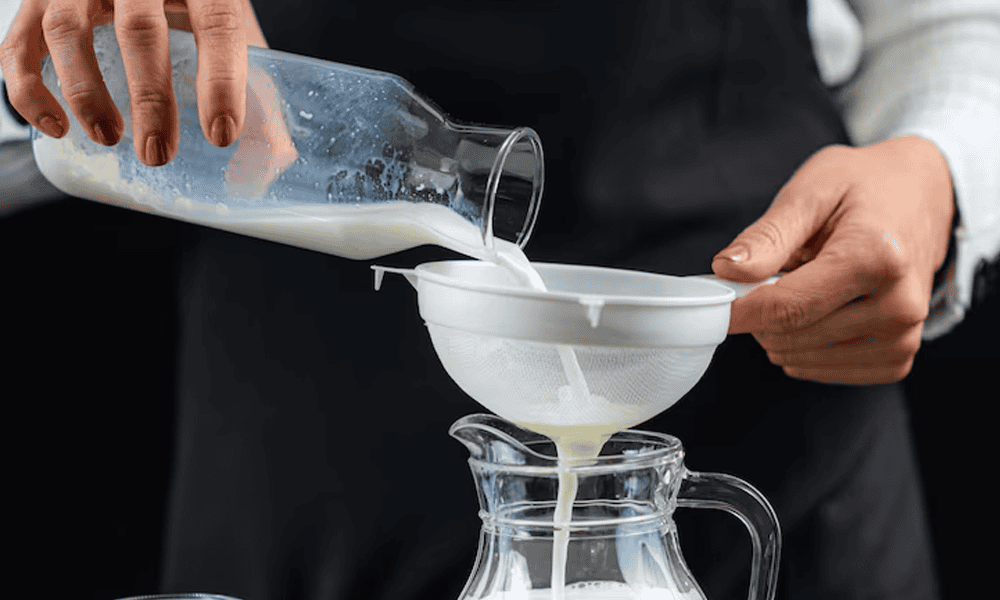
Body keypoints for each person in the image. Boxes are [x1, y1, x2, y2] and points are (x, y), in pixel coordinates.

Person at [2, 1, 998, 599]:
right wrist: (47, 41)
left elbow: (957, 22)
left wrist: (936, 169)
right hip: (302, 427)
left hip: (769, 404)